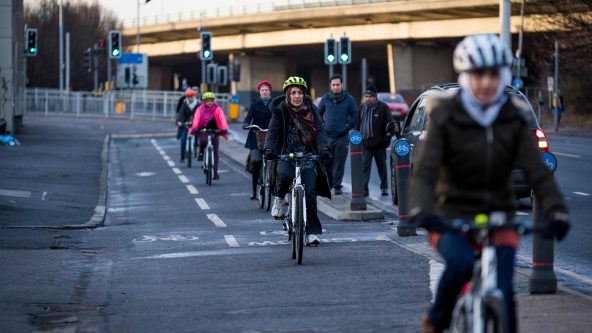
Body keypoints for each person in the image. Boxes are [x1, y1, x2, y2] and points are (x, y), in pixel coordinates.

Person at [408, 34, 571, 333]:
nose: (486, 82)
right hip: (450, 214)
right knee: (459, 266)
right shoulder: (445, 114)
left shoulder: (514, 116)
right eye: (478, 75)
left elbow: (538, 170)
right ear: (466, 76)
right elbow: (426, 170)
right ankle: (436, 320)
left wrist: (557, 210)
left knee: (505, 293)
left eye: (493, 74)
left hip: (499, 214)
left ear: (504, 75)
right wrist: (423, 209)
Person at [264, 76, 332, 247]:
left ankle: (312, 233)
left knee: (309, 193)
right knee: (285, 175)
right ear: (288, 94)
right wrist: (269, 150)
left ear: (304, 95)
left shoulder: (312, 110)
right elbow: (272, 132)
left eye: (300, 93)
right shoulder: (280, 111)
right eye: (293, 93)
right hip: (286, 155)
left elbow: (321, 131)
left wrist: (324, 149)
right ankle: (279, 199)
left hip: (307, 156)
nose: (296, 96)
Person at [317, 74, 359, 195]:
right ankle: (328, 184)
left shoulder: (349, 99)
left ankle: (337, 186)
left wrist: (347, 126)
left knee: (339, 163)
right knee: (327, 162)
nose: (335, 87)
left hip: (342, 137)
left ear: (342, 85)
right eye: (333, 85)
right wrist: (323, 126)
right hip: (327, 137)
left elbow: (355, 115)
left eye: (338, 85)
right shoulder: (325, 99)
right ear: (330, 86)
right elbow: (318, 114)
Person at [354, 85, 393, 197]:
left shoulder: (383, 107)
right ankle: (364, 190)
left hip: (379, 144)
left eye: (370, 96)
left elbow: (390, 124)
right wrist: (355, 136)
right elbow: (357, 124)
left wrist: (387, 138)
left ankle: (384, 187)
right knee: (364, 168)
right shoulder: (361, 108)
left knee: (382, 168)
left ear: (375, 97)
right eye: (366, 96)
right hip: (365, 143)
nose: (368, 99)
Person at [243, 80, 274, 200]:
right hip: (255, 135)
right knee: (256, 161)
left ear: (270, 91)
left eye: (266, 90)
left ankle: (274, 188)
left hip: (271, 136)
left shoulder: (275, 103)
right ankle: (254, 190)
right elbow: (248, 117)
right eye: (262, 90)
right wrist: (246, 124)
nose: (265, 92)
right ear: (259, 92)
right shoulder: (254, 104)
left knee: (275, 162)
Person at [189, 92, 229, 180]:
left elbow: (222, 119)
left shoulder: (218, 109)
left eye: (211, 100)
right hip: (203, 129)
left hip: (215, 130)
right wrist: (195, 127)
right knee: (203, 141)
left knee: (215, 151)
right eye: (207, 101)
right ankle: (201, 152)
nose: (210, 102)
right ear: (204, 101)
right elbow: (196, 119)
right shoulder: (199, 109)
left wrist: (224, 128)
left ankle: (215, 172)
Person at [176, 88, 200, 162]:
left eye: (191, 96)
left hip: (195, 123)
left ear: (194, 96)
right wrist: (179, 121)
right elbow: (181, 113)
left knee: (198, 137)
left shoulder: (198, 104)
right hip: (186, 124)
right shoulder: (184, 104)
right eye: (188, 96)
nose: (189, 98)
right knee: (183, 139)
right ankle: (182, 156)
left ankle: (196, 146)